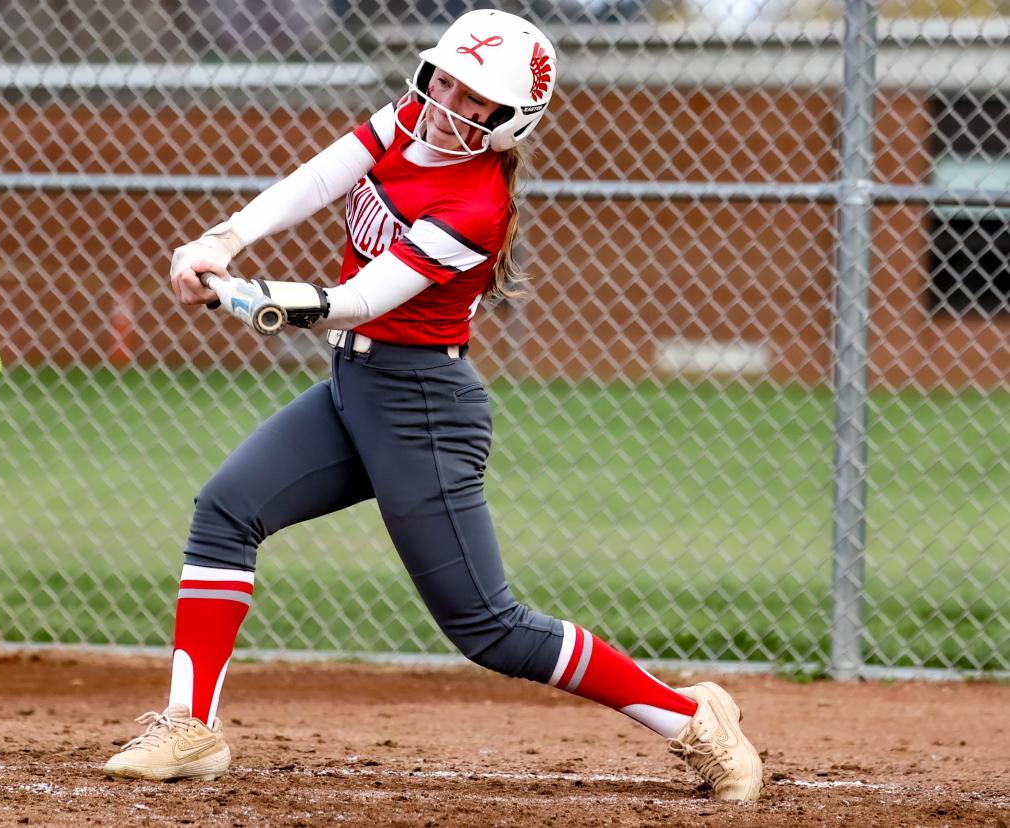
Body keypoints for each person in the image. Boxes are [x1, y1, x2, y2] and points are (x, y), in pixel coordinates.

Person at [103, 8, 764, 801]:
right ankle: (190, 724)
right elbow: (322, 176)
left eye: (473, 94)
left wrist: (250, 298)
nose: (448, 98)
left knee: (488, 627)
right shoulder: (412, 113)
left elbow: (356, 302)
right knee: (226, 509)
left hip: (422, 404)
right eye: (445, 77)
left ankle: (692, 722)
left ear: (508, 120)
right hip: (356, 388)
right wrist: (225, 238)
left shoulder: (474, 205)